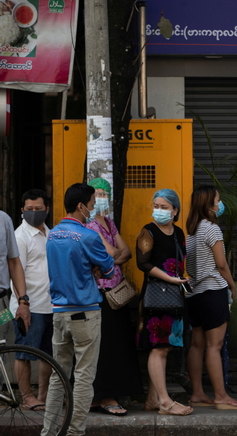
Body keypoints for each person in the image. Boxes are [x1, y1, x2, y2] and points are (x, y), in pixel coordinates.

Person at [41, 183, 115, 436]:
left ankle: (49, 432)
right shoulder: (88, 236)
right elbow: (109, 268)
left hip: (59, 312)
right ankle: (75, 432)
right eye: (92, 205)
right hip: (86, 311)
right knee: (84, 376)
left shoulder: (52, 235)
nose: (94, 209)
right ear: (81, 206)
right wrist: (96, 268)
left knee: (58, 376)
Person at [85, 178, 143, 416]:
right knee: (105, 346)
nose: (101, 198)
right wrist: (112, 257)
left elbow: (126, 252)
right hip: (100, 294)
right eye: (96, 194)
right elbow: (110, 253)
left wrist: (111, 259)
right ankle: (102, 396)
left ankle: (108, 395)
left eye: (104, 193)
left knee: (118, 345)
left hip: (117, 294)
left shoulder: (109, 223)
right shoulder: (90, 226)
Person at [185, 185, 237, 410]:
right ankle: (221, 396)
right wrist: (231, 285)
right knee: (215, 345)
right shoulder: (211, 228)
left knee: (197, 344)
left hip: (194, 293)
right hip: (212, 290)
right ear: (209, 204)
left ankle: (197, 393)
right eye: (218, 200)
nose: (220, 204)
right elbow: (221, 264)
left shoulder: (191, 229)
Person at [136, 189, 193, 416]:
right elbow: (143, 263)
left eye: (164, 207)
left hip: (174, 296)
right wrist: (169, 278)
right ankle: (165, 401)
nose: (158, 211)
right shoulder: (148, 231)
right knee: (158, 348)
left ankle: (152, 399)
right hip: (156, 296)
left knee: (165, 348)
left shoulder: (178, 233)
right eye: (156, 206)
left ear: (175, 210)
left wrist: (180, 280)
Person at [10, 189, 52, 411]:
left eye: (38, 209)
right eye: (29, 209)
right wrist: (22, 305)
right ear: (22, 211)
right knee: (24, 352)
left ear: (47, 209)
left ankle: (43, 395)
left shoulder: (50, 233)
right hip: (29, 306)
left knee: (48, 354)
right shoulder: (20, 236)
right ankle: (26, 396)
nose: (34, 213)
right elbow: (15, 273)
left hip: (51, 305)